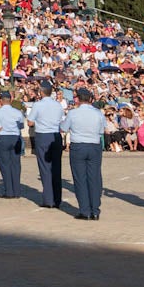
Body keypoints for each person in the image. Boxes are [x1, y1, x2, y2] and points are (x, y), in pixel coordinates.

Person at [61, 87, 107, 220]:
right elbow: (102, 131)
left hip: (78, 145)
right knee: (94, 178)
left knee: (80, 179)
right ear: (91, 99)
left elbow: (63, 128)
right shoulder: (98, 113)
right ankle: (95, 210)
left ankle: (85, 210)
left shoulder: (73, 113)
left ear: (78, 99)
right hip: (94, 145)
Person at [27, 82, 66, 209]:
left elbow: (30, 122)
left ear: (41, 92)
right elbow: (61, 120)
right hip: (55, 135)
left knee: (45, 168)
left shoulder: (38, 105)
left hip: (43, 135)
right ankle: (57, 199)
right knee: (56, 167)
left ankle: (48, 199)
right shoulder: (58, 105)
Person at [0, 90, 25, 201]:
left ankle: (9, 190)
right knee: (16, 164)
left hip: (2, 138)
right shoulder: (17, 112)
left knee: (4, 165)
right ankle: (17, 190)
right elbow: (21, 126)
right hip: (15, 138)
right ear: (10, 100)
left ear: (0, 101)